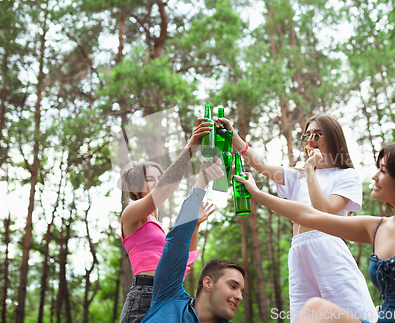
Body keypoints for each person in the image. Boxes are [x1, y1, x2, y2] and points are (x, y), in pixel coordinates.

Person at [234, 140, 395, 322]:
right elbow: (307, 214)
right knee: (313, 311)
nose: (374, 176)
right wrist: (256, 194)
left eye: (383, 171)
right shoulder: (376, 227)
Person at [217, 114, 376, 321]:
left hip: (328, 248)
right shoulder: (297, 176)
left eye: (317, 135)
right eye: (306, 135)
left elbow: (324, 211)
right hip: (298, 251)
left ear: (333, 137)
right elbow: (261, 165)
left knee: (352, 313)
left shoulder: (346, 175)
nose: (310, 140)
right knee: (303, 317)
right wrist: (232, 135)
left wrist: (310, 168)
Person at [119, 118, 215, 323]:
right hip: (145, 296)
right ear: (135, 188)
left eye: (159, 177)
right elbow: (165, 188)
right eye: (150, 179)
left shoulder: (161, 228)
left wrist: (195, 224)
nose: (157, 182)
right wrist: (191, 147)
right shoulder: (131, 215)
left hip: (171, 297)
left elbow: (186, 258)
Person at [140, 158, 246, 323]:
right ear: (208, 283)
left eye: (241, 291)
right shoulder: (170, 297)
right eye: (233, 286)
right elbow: (179, 239)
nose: (239, 297)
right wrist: (202, 179)